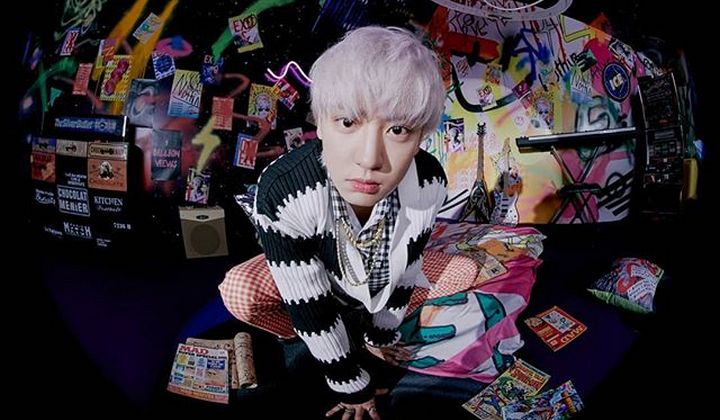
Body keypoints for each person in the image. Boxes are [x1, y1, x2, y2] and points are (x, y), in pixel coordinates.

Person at [248, 26, 447, 418]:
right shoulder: (283, 193)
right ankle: (301, 339)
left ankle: (360, 325)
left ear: (420, 137)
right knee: (240, 293)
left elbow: (406, 270)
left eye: (398, 130)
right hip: (316, 273)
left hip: (371, 279)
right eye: (347, 122)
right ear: (320, 123)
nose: (370, 159)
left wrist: (380, 336)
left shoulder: (429, 182)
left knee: (464, 272)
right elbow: (311, 306)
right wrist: (352, 385)